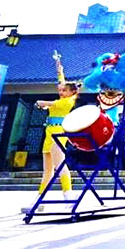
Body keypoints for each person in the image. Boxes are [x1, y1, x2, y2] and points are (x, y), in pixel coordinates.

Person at [24, 53, 78, 212]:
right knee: (47, 170)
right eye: (60, 90)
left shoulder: (68, 102)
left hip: (59, 134)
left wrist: (42, 103)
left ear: (72, 92)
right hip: (49, 133)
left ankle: (69, 195)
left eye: (64, 90)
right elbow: (61, 82)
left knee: (60, 165)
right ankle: (39, 200)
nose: (61, 92)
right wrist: (59, 69)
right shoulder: (63, 98)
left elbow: (49, 103)